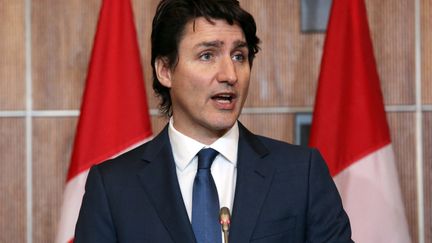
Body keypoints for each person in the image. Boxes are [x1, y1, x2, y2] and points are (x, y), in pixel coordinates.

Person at [74, 0, 353, 242]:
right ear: (165, 71)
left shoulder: (301, 173)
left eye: (239, 56)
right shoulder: (113, 187)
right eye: (207, 55)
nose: (229, 74)